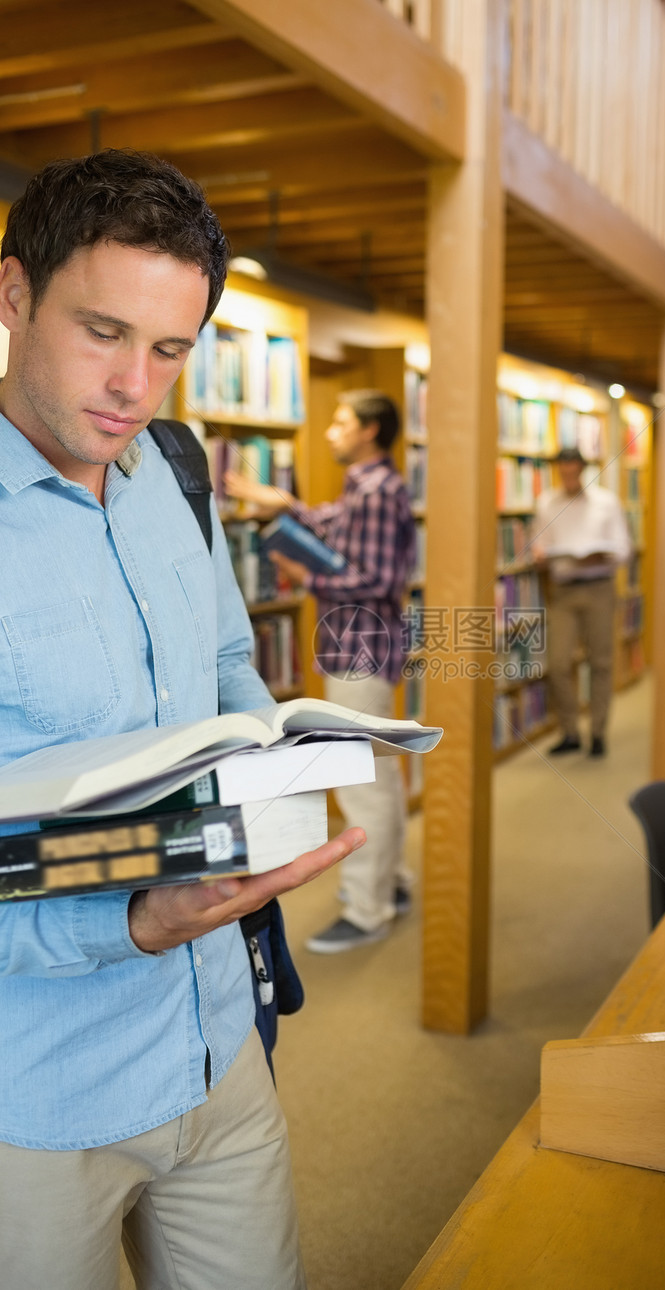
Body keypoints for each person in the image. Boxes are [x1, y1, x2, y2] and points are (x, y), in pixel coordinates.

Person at [0, 149, 366, 1290]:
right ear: (12, 296)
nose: (133, 386)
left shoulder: (170, 464)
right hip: (33, 1101)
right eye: (102, 332)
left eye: (169, 349)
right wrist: (130, 924)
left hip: (218, 1040)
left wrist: (266, 787)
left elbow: (220, 660)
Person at [224, 390, 416, 953]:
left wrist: (305, 577)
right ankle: (393, 883)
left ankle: (367, 909)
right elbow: (329, 521)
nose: (330, 431)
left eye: (341, 422)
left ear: (371, 431)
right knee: (379, 777)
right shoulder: (366, 488)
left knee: (362, 784)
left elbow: (375, 579)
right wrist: (283, 502)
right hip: (354, 646)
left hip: (360, 648)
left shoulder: (378, 491)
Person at [532, 446, 632, 757]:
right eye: (563, 470)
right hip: (563, 590)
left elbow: (624, 548)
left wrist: (601, 554)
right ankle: (570, 731)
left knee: (600, 661)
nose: (568, 475)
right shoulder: (546, 502)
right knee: (559, 663)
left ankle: (598, 732)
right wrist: (540, 555)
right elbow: (540, 545)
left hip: (599, 587)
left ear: (582, 469)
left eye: (573, 470)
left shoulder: (606, 502)